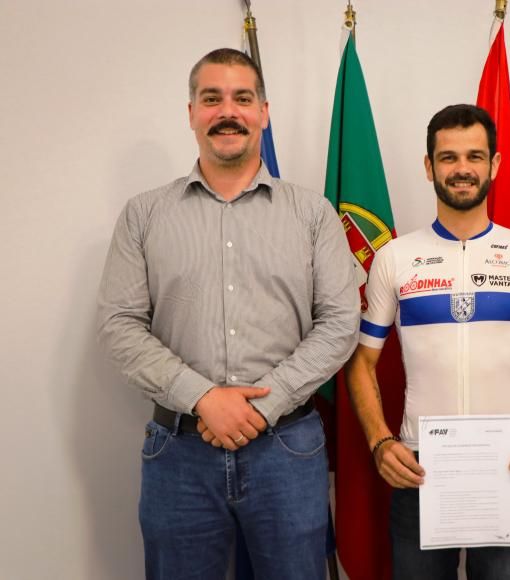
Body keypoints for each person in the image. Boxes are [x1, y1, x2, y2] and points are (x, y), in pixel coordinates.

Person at [97, 48, 359, 580]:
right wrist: (202, 397)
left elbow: (339, 322)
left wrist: (265, 405)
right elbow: (119, 324)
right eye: (211, 98)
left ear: (264, 111)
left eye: (242, 98)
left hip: (287, 451)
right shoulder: (144, 215)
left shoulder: (312, 214)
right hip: (179, 455)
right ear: (191, 112)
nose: (227, 111)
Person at [346, 104, 510, 579]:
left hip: (509, 468)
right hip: (418, 473)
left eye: (475, 156)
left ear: (494, 165)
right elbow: (361, 362)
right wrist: (378, 441)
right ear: (429, 167)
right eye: (448, 158)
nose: (462, 169)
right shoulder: (395, 258)